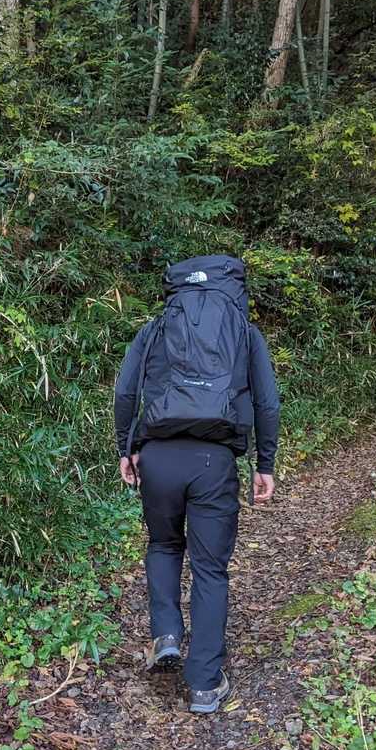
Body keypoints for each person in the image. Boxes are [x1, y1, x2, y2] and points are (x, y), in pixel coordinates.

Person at [113, 255, 280, 714]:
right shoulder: (244, 332)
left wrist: (126, 448)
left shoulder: (155, 330)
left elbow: (126, 392)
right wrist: (264, 463)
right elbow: (267, 403)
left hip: (159, 457)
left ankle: (167, 634)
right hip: (214, 460)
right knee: (210, 569)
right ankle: (204, 684)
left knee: (164, 544)